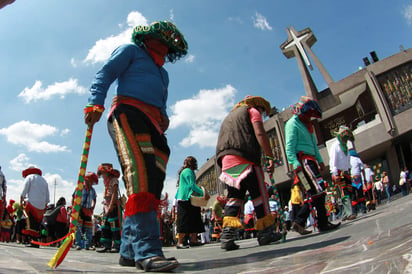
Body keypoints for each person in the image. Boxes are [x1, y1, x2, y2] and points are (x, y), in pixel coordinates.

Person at [84, 20, 187, 272]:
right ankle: (148, 251)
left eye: (168, 45)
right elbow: (105, 73)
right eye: (161, 41)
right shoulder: (130, 50)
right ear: (149, 39)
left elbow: (161, 102)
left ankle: (129, 251)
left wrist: (164, 116)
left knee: (152, 182)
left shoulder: (163, 73)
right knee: (139, 173)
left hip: (153, 123)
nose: (164, 47)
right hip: (128, 112)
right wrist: (95, 101)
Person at [216, 95, 283, 251]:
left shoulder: (229, 117)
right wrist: (269, 156)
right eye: (263, 110)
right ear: (258, 106)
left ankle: (227, 236)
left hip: (227, 162)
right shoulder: (252, 111)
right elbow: (260, 133)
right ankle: (266, 233)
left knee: (234, 198)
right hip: (246, 158)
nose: (262, 113)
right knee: (259, 195)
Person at [285, 96, 340, 233]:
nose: (310, 118)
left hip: (311, 161)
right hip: (303, 162)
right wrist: (294, 162)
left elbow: (314, 146)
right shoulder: (292, 123)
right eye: (308, 114)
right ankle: (319, 223)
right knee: (318, 189)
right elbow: (289, 146)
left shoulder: (308, 126)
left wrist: (320, 160)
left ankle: (301, 222)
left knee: (314, 192)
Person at [175, 156, 208, 248]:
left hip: (186, 198)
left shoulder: (185, 171)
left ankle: (193, 240)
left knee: (194, 217)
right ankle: (180, 242)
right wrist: (203, 193)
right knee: (185, 220)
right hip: (186, 198)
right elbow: (192, 185)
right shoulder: (188, 171)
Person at [329, 125, 356, 221]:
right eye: (344, 137)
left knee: (348, 191)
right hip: (339, 173)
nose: (345, 140)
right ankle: (349, 213)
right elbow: (333, 161)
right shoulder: (335, 146)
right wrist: (334, 173)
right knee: (345, 193)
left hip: (346, 172)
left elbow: (347, 160)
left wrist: (349, 170)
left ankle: (344, 214)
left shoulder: (345, 147)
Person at [20, 166, 50, 248]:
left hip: (32, 204)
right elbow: (47, 197)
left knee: (30, 224)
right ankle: (35, 241)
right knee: (37, 225)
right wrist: (45, 206)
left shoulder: (30, 177)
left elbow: (24, 191)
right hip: (41, 206)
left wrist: (21, 201)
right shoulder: (44, 180)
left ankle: (33, 241)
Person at [96, 164, 121, 253]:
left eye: (103, 173)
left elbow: (114, 193)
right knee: (105, 225)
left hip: (112, 205)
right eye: (101, 173)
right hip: (106, 204)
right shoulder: (106, 182)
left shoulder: (114, 180)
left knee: (114, 225)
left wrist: (110, 205)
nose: (102, 175)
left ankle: (117, 246)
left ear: (107, 173)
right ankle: (106, 245)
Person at [73, 172, 97, 251]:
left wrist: (92, 207)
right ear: (86, 180)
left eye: (92, 182)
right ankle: (78, 244)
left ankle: (88, 245)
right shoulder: (80, 187)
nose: (91, 183)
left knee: (89, 229)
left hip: (88, 211)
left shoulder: (93, 190)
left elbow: (94, 199)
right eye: (90, 181)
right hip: (79, 210)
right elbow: (74, 197)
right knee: (79, 228)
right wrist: (75, 207)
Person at [349, 148, 367, 215]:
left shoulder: (348, 160)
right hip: (358, 178)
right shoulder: (357, 159)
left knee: (353, 196)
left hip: (352, 179)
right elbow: (362, 170)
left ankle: (355, 211)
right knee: (360, 194)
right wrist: (364, 179)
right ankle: (363, 209)